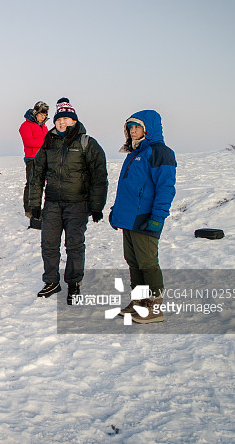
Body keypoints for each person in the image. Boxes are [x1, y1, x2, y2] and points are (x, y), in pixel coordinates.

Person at [27, 98, 108, 304]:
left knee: (74, 245)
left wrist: (97, 206)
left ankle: (73, 284)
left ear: (74, 120)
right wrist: (35, 204)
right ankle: (51, 281)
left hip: (77, 204)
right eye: (59, 119)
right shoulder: (48, 142)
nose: (62, 123)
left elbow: (99, 176)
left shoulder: (87, 143)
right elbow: (37, 175)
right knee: (49, 244)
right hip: (53, 203)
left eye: (66, 119)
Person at [110, 110, 177, 324]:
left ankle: (154, 306)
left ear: (148, 129)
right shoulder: (134, 153)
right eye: (130, 127)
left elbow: (166, 188)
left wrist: (158, 217)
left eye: (136, 127)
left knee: (147, 262)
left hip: (146, 216)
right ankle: (139, 301)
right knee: (133, 261)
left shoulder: (160, 152)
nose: (132, 131)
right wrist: (116, 212)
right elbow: (128, 188)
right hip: (130, 218)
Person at [19, 101, 49, 220]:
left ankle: (38, 208)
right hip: (32, 159)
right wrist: (45, 143)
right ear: (36, 113)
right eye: (41, 114)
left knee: (41, 184)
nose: (43, 117)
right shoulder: (25, 126)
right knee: (31, 184)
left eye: (45, 115)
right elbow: (28, 142)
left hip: (44, 158)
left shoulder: (43, 126)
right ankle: (29, 210)